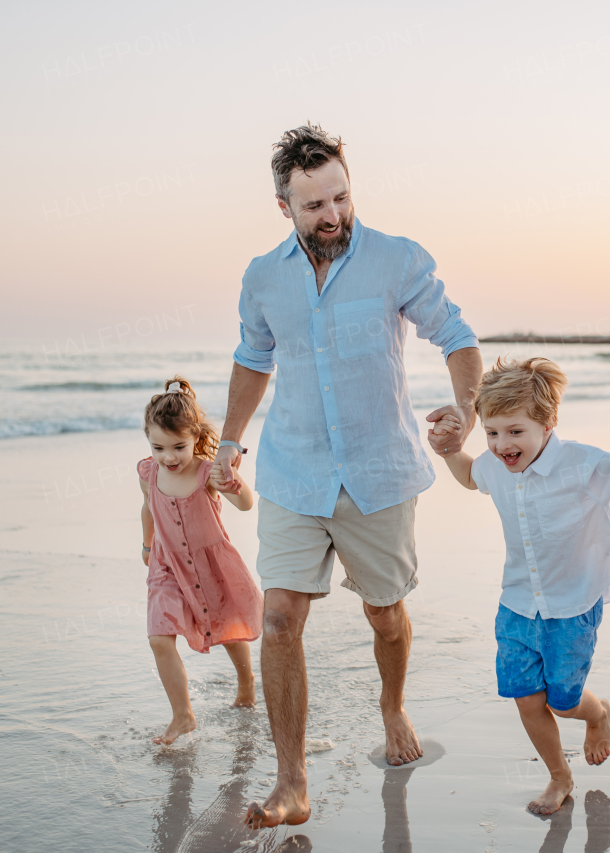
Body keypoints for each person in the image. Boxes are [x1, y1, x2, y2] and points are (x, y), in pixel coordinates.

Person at [212, 123, 484, 828]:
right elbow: (253, 357)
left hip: (378, 471)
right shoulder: (263, 276)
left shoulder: (396, 260)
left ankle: (392, 705)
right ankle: (292, 780)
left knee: (385, 613)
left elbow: (455, 336)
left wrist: (464, 409)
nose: (331, 216)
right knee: (278, 619)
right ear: (284, 208)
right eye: (312, 205)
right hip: (293, 471)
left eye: (339, 196)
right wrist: (231, 440)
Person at [430, 356, 610, 815]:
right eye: (493, 433)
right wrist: (446, 450)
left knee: (563, 703)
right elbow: (468, 475)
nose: (501, 445)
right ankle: (559, 777)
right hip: (516, 605)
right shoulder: (496, 466)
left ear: (548, 422)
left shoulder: (583, 464)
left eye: (515, 431)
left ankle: (597, 714)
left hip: (572, 607)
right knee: (525, 698)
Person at [138, 377, 262, 745]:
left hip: (211, 565)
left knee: (227, 627)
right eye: (159, 447)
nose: (169, 457)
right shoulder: (148, 472)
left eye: (179, 446)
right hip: (167, 566)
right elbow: (148, 508)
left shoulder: (208, 472)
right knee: (159, 637)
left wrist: (235, 485)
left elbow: (246, 504)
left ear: (196, 438)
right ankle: (183, 715)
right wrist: (146, 546)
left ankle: (247, 681)